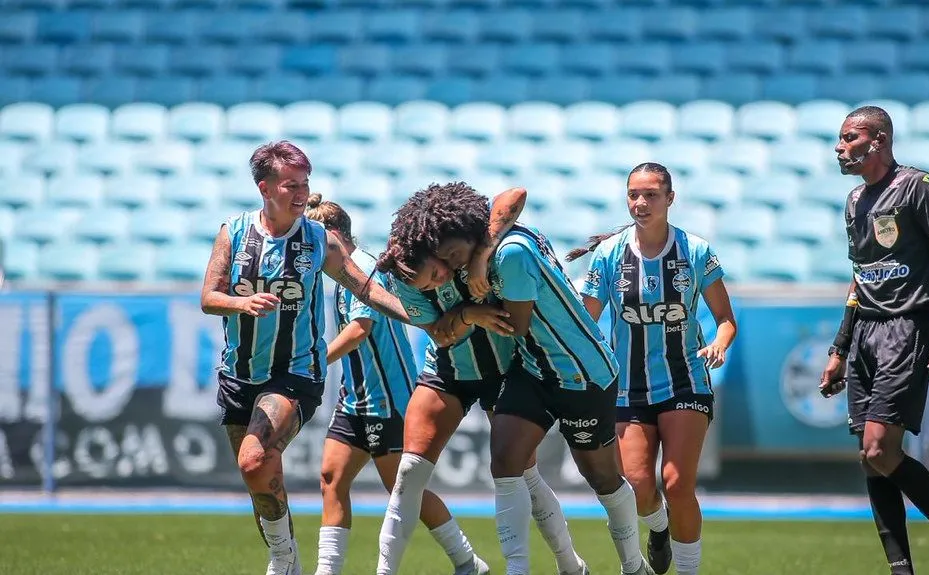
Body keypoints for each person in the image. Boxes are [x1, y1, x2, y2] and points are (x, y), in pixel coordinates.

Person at [383, 183, 655, 575]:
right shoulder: (487, 248)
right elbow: (508, 203)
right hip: (531, 368)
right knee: (507, 462)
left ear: (473, 234)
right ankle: (518, 569)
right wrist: (472, 282)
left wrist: (472, 290)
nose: (453, 267)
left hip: (581, 372)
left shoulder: (510, 253)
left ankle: (634, 566)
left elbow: (515, 324)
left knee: (602, 477)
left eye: (457, 256)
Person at [199, 141, 411, 575]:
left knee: (254, 460)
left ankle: (281, 562)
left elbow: (366, 290)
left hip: (295, 374)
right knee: (260, 483)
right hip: (239, 376)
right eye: (291, 184)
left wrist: (423, 318)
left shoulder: (319, 240)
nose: (301, 193)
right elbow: (208, 297)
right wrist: (241, 305)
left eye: (306, 184)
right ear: (264, 187)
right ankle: (290, 560)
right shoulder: (234, 233)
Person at [820, 106, 929, 575]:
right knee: (871, 459)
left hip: (907, 328)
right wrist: (839, 348)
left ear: (879, 140)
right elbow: (860, 281)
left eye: (849, 137)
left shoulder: (917, 186)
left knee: (878, 449)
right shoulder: (854, 201)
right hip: (865, 335)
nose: (839, 146)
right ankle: (902, 569)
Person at [564, 162, 738, 575]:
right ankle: (658, 530)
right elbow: (586, 322)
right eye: (633, 195)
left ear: (670, 199)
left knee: (678, 484)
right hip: (628, 389)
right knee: (639, 488)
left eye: (651, 195)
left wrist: (718, 343)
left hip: (686, 383)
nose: (640, 203)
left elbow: (726, 319)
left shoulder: (695, 251)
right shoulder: (609, 255)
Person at [304, 195, 488, 575]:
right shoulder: (339, 275)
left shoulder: (366, 269)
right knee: (330, 479)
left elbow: (360, 329)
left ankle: (468, 562)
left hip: (389, 399)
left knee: (404, 492)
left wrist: (314, 361)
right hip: (354, 400)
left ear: (333, 236)